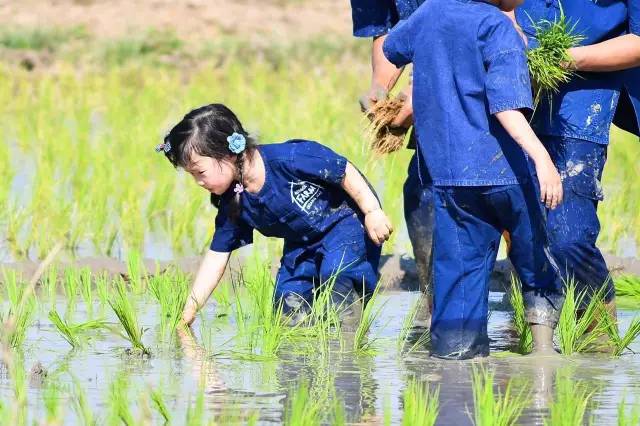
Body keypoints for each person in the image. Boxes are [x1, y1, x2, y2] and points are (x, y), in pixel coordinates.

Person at [383, 0, 565, 359]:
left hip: (450, 179)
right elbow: (505, 106)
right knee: (534, 262)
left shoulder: (429, 13)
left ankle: (454, 371)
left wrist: (392, 92)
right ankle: (545, 360)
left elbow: (392, 48)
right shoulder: (497, 27)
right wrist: (542, 158)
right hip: (504, 174)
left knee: (459, 285)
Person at [157, 104, 393, 326]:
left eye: (200, 172)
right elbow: (217, 257)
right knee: (286, 307)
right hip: (302, 243)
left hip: (345, 222)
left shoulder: (289, 158)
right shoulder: (234, 200)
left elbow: (343, 170)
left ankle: (347, 355)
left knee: (338, 279)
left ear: (227, 154)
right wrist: (189, 312)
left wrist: (372, 211)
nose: (198, 182)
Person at [513, 1, 640, 317]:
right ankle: (534, 328)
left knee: (568, 235)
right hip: (512, 89)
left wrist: (566, 59)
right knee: (519, 227)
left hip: (585, 93)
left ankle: (597, 333)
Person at [350, 0, 434, 322]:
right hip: (428, 71)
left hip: (489, 60)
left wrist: (423, 87)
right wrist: (380, 88)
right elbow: (387, 30)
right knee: (423, 193)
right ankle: (434, 305)